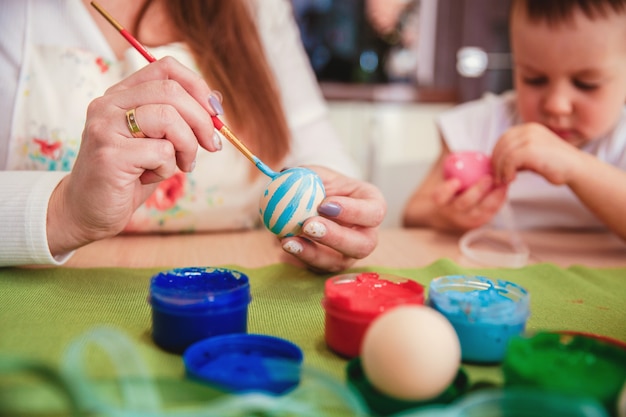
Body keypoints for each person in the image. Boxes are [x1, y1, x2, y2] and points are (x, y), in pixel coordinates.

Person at [0, 0, 386, 272]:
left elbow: (320, 149)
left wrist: (333, 213)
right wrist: (63, 211)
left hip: (244, 293)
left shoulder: (255, 8)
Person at [402, 0, 626, 241]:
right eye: (534, 79)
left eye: (586, 84)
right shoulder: (481, 126)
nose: (556, 105)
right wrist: (443, 215)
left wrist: (578, 168)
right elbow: (412, 213)